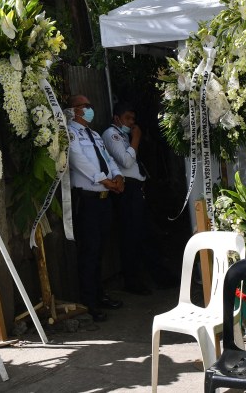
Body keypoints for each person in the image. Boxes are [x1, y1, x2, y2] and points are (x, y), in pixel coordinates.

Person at [65, 94, 125, 322]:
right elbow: (79, 160)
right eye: (84, 106)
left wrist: (117, 175)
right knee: (89, 252)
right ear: (73, 110)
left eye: (90, 105)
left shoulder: (95, 134)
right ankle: (89, 302)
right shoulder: (70, 133)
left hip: (104, 198)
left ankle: (100, 296)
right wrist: (104, 179)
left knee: (100, 250)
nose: (89, 109)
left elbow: (107, 157)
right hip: (88, 199)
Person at [102, 101, 153, 295]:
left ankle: (143, 276)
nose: (132, 123)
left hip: (137, 188)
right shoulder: (111, 134)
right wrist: (136, 139)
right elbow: (125, 161)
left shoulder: (125, 134)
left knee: (141, 233)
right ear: (117, 118)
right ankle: (131, 281)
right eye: (127, 118)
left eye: (133, 119)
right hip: (127, 191)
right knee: (130, 236)